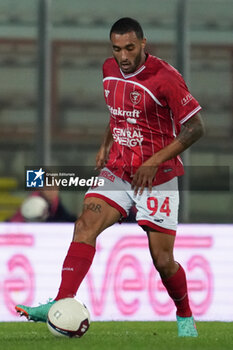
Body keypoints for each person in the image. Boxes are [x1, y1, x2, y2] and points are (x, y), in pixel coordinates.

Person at [16, 17, 205, 337]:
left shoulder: (166, 79)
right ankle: (61, 303)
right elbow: (118, 113)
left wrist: (155, 160)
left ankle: (185, 315)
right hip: (118, 169)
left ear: (144, 44)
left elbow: (196, 128)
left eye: (130, 48)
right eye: (117, 49)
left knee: (162, 260)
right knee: (84, 225)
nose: (124, 56)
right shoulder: (108, 70)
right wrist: (105, 144)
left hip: (157, 177)